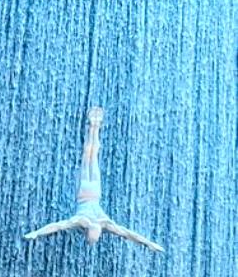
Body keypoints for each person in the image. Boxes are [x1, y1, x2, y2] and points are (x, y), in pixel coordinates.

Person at [22, 107, 162, 251]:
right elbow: (128, 233)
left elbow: (57, 226)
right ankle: (94, 126)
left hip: (91, 191)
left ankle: (95, 126)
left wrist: (37, 233)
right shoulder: (96, 221)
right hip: (87, 191)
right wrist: (148, 243)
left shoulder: (91, 221)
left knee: (91, 155)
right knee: (90, 155)